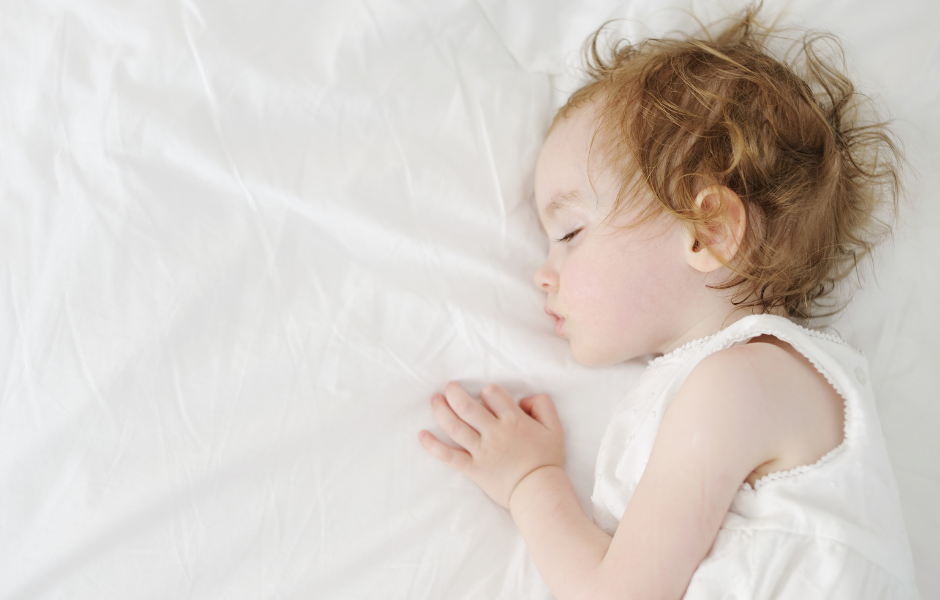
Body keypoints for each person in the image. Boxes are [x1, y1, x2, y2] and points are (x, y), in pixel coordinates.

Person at [417, 7, 919, 599]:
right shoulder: (750, 386)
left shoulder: (739, 386)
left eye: (572, 234)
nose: (543, 275)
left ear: (706, 232)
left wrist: (531, 480)